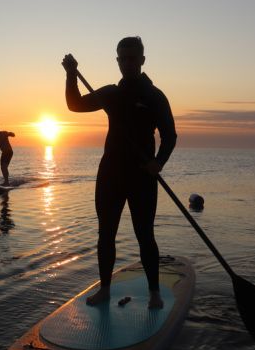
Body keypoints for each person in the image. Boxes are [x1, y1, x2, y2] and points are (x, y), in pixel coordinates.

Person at [62, 36, 177, 309]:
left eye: (132, 58)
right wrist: (70, 75)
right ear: (117, 61)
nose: (127, 63)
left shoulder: (154, 96)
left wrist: (158, 162)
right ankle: (104, 289)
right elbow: (74, 105)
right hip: (110, 174)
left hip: (142, 176)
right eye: (122, 58)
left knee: (145, 235)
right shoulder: (111, 93)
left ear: (142, 60)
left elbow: (170, 135)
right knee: (106, 234)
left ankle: (154, 293)